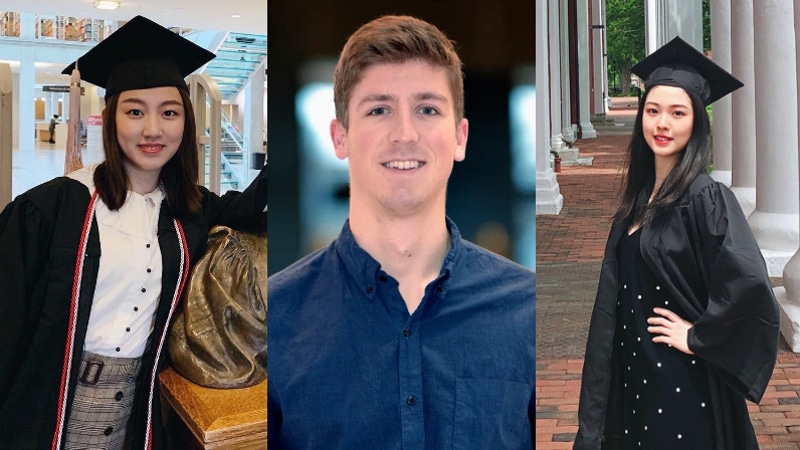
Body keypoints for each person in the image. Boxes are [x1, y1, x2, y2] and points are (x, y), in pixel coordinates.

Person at [268, 15, 535, 449]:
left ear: (460, 137)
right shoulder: (276, 317)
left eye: (427, 109)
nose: (405, 134)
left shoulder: (526, 310)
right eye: (379, 109)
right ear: (340, 138)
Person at [0, 15, 267, 449]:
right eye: (135, 112)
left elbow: (255, 209)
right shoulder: (51, 208)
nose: (152, 130)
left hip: (136, 414)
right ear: (109, 119)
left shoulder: (189, 212)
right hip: (47, 408)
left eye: (169, 113)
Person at [573, 36, 779, 450]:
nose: (662, 123)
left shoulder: (706, 198)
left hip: (682, 383)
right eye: (652, 111)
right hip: (634, 380)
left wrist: (697, 336)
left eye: (677, 113)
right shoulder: (638, 200)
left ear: (697, 122)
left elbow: (751, 287)